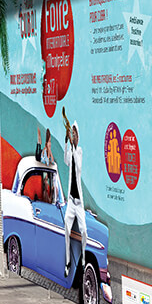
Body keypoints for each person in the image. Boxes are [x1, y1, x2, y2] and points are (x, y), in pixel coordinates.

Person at [61, 107, 87, 278]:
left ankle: (83, 259)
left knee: (84, 230)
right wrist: (66, 142)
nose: (74, 136)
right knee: (66, 229)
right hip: (70, 200)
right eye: (72, 133)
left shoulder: (79, 151)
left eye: (75, 134)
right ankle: (68, 262)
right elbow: (66, 161)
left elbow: (78, 166)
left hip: (79, 202)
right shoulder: (70, 151)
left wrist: (73, 145)